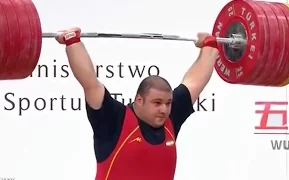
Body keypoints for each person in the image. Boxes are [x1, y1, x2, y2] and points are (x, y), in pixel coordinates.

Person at [55, 27, 219, 180]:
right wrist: (72, 43)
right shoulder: (113, 119)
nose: (164, 109)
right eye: (157, 103)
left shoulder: (170, 116)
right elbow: (90, 82)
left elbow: (193, 83)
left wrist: (210, 47)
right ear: (139, 100)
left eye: (168, 103)